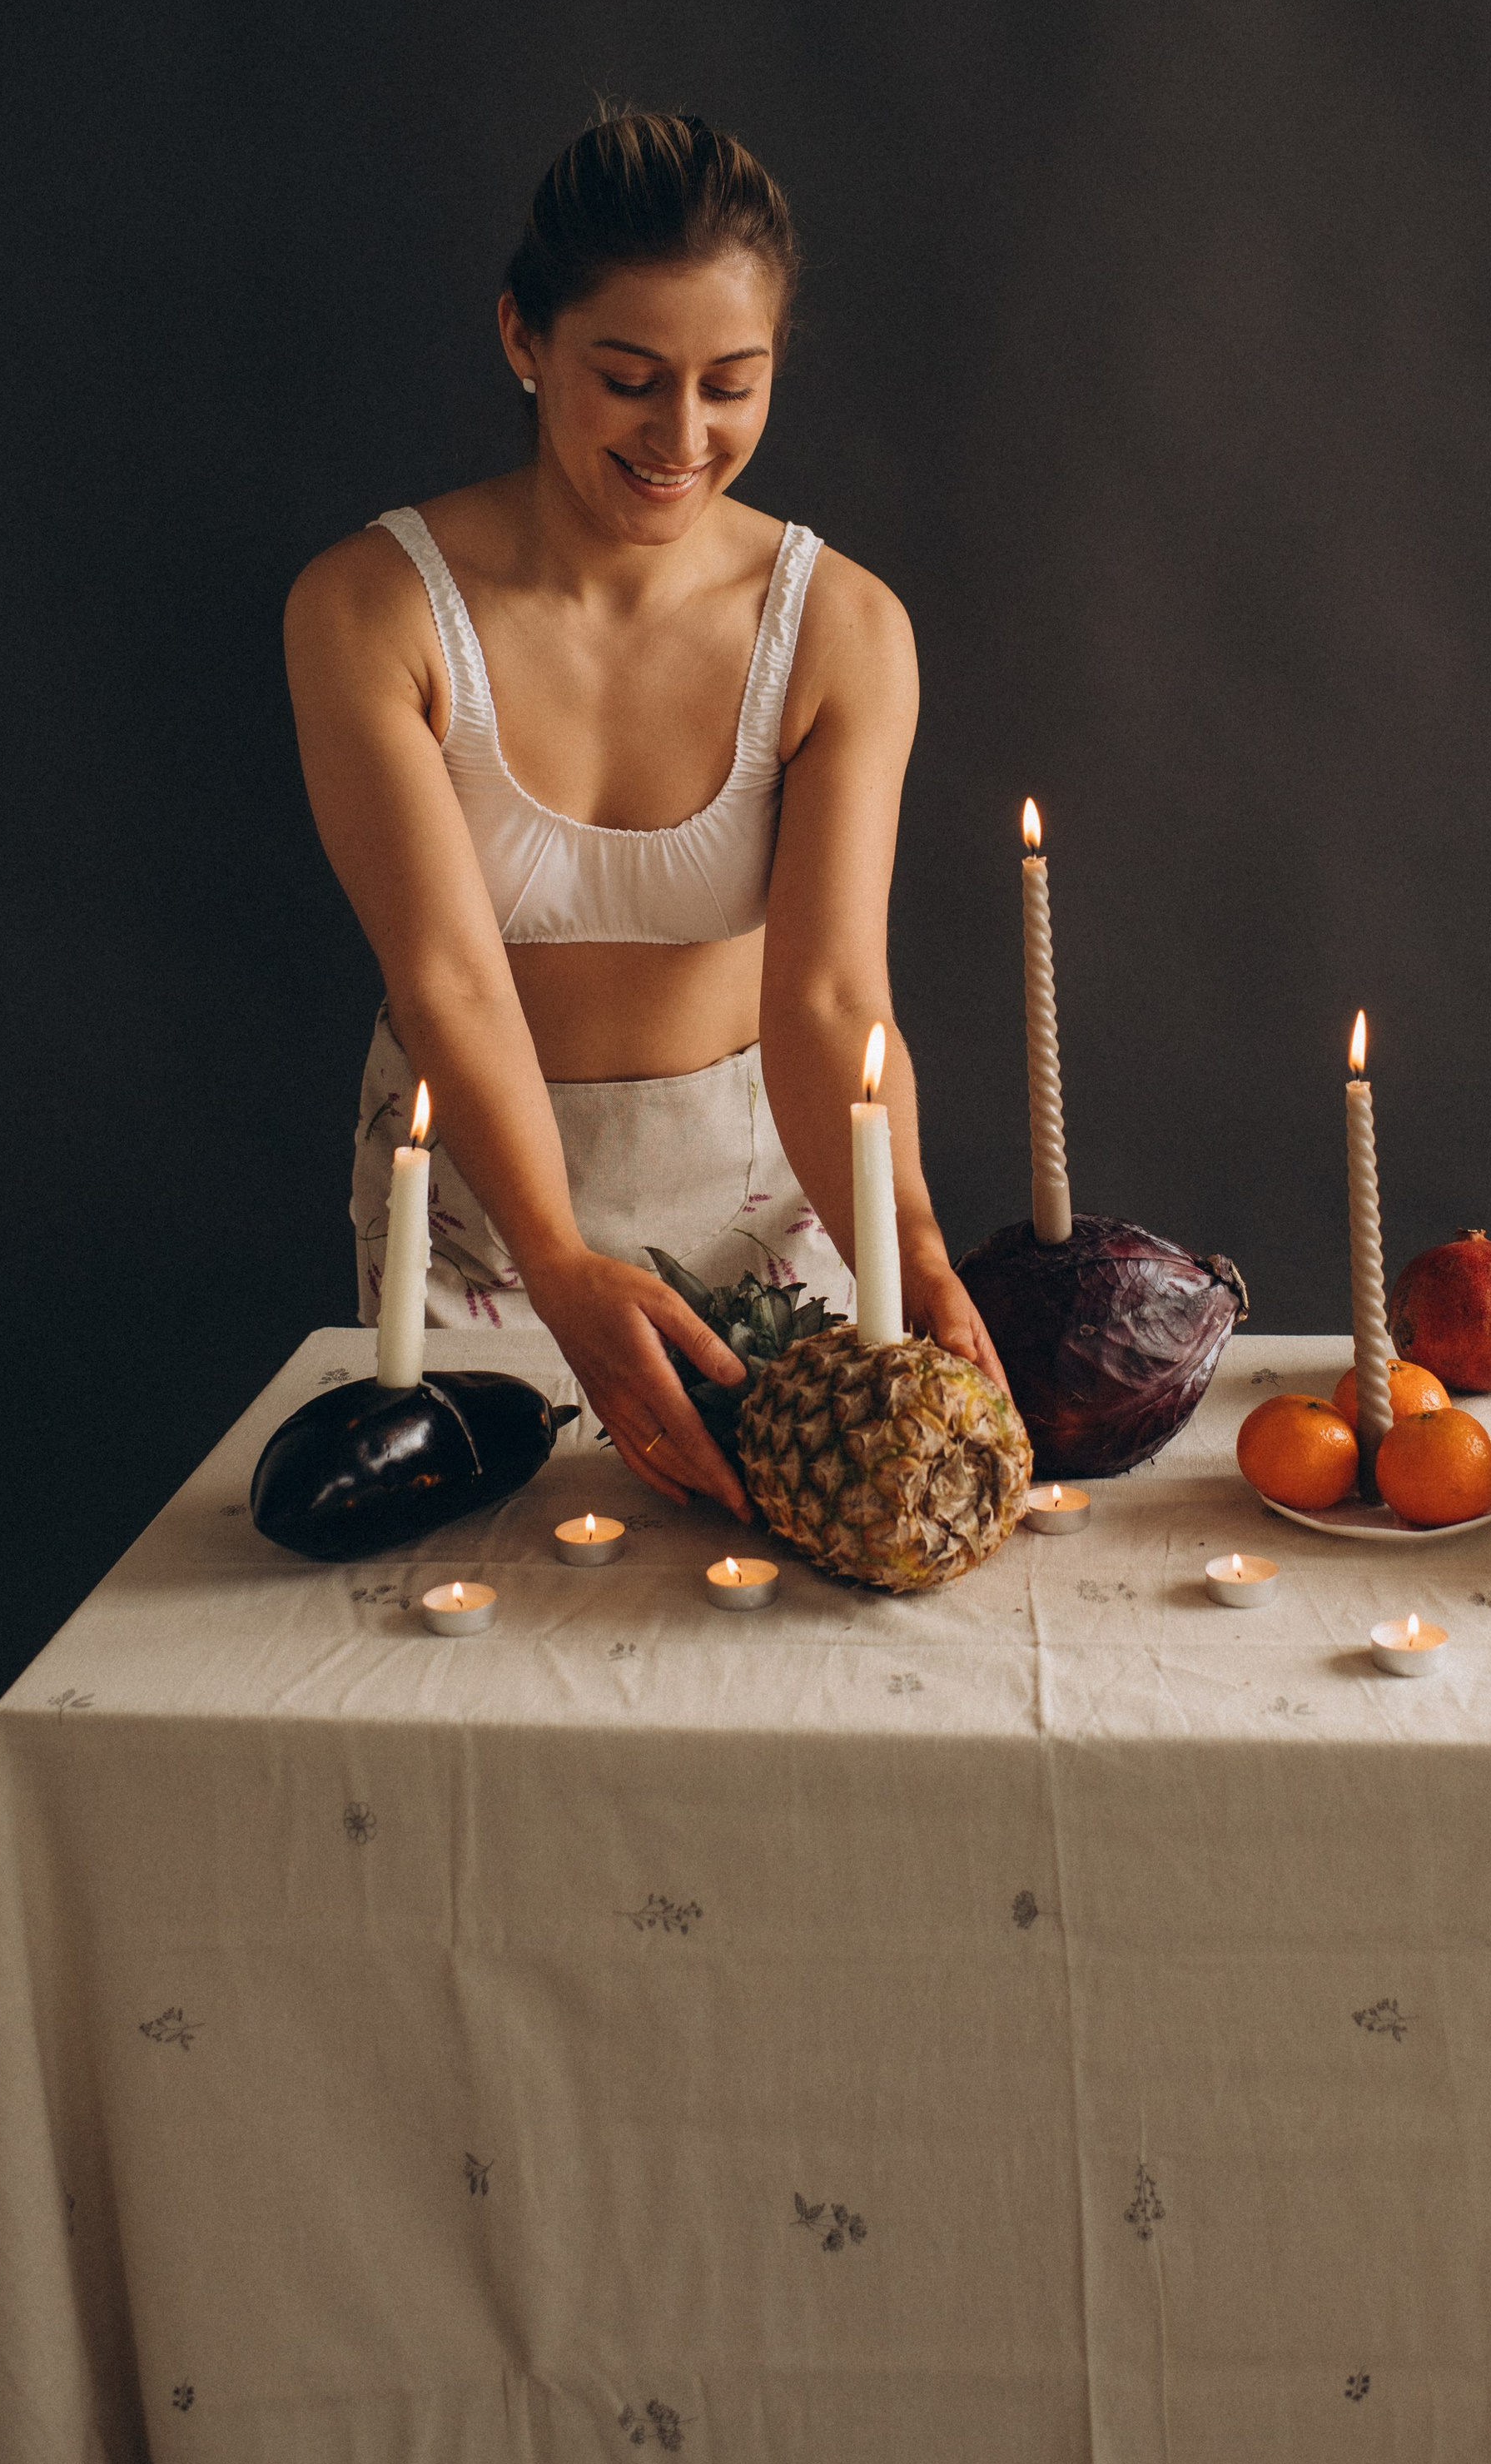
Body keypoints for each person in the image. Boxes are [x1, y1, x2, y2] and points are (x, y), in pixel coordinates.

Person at [285, 107, 1001, 1521]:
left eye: (732, 387)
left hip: (767, 1197)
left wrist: (905, 1238)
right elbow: (444, 978)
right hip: (484, 1215)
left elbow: (832, 992)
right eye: (630, 380)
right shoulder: (367, 609)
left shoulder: (842, 627)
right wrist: (553, 1254)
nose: (683, 437)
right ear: (522, 340)